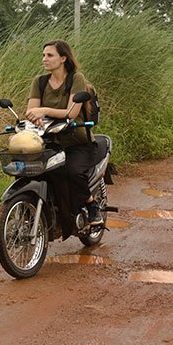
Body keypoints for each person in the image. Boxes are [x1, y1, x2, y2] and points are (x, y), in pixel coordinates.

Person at [25, 39, 103, 237]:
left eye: (50, 55)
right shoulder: (40, 81)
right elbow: (31, 111)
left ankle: (92, 206)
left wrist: (43, 111)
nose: (45, 59)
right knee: (34, 170)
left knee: (72, 171)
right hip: (49, 141)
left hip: (77, 142)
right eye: (43, 55)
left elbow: (71, 112)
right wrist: (36, 116)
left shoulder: (76, 78)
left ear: (63, 58)